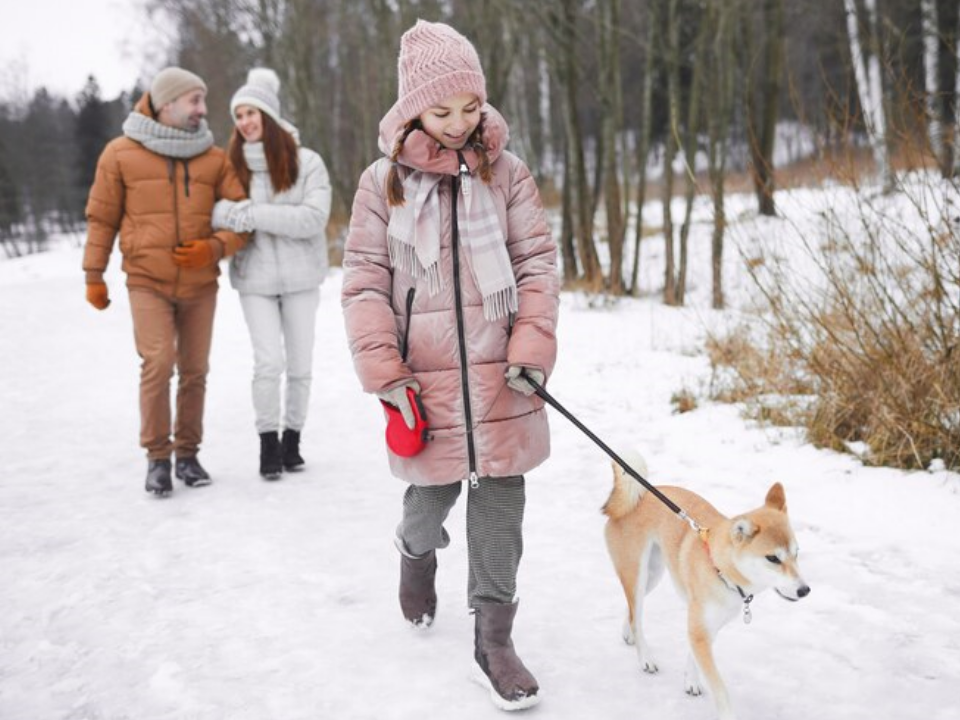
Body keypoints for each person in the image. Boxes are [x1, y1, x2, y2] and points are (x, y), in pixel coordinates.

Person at [341, 20, 560, 711]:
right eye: (443, 111)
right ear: (412, 110)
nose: (462, 123)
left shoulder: (507, 172)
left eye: (471, 107)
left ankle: (493, 643)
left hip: (503, 376)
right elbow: (365, 282)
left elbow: (537, 266)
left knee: (501, 506)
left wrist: (531, 348)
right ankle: (414, 553)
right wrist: (385, 372)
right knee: (426, 503)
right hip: (423, 383)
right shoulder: (384, 185)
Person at [83, 66, 248, 496]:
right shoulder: (120, 153)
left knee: (195, 370)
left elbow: (241, 218)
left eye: (202, 100)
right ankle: (157, 458)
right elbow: (102, 218)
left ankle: (187, 455)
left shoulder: (213, 157)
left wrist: (214, 248)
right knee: (158, 364)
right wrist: (93, 275)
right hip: (146, 281)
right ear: (166, 103)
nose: (202, 109)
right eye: (194, 100)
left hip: (200, 284)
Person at [212, 68, 331, 480]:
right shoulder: (229, 165)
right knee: (268, 363)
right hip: (255, 280)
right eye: (238, 115)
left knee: (300, 365)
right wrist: (233, 213)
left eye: (251, 112)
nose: (244, 121)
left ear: (269, 114)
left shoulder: (307, 162)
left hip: (301, 278)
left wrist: (256, 214)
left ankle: (292, 442)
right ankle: (268, 447)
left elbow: (313, 219)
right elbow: (214, 212)